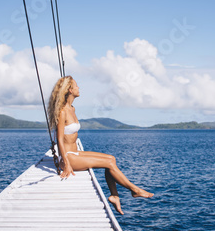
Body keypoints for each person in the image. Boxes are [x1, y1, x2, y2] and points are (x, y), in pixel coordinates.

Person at [47, 75, 153, 215]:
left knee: (111, 159)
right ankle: (135, 190)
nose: (79, 88)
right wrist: (66, 163)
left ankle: (114, 196)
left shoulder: (72, 109)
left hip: (75, 153)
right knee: (108, 163)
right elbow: (60, 139)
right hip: (67, 158)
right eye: (76, 85)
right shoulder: (62, 111)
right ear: (70, 90)